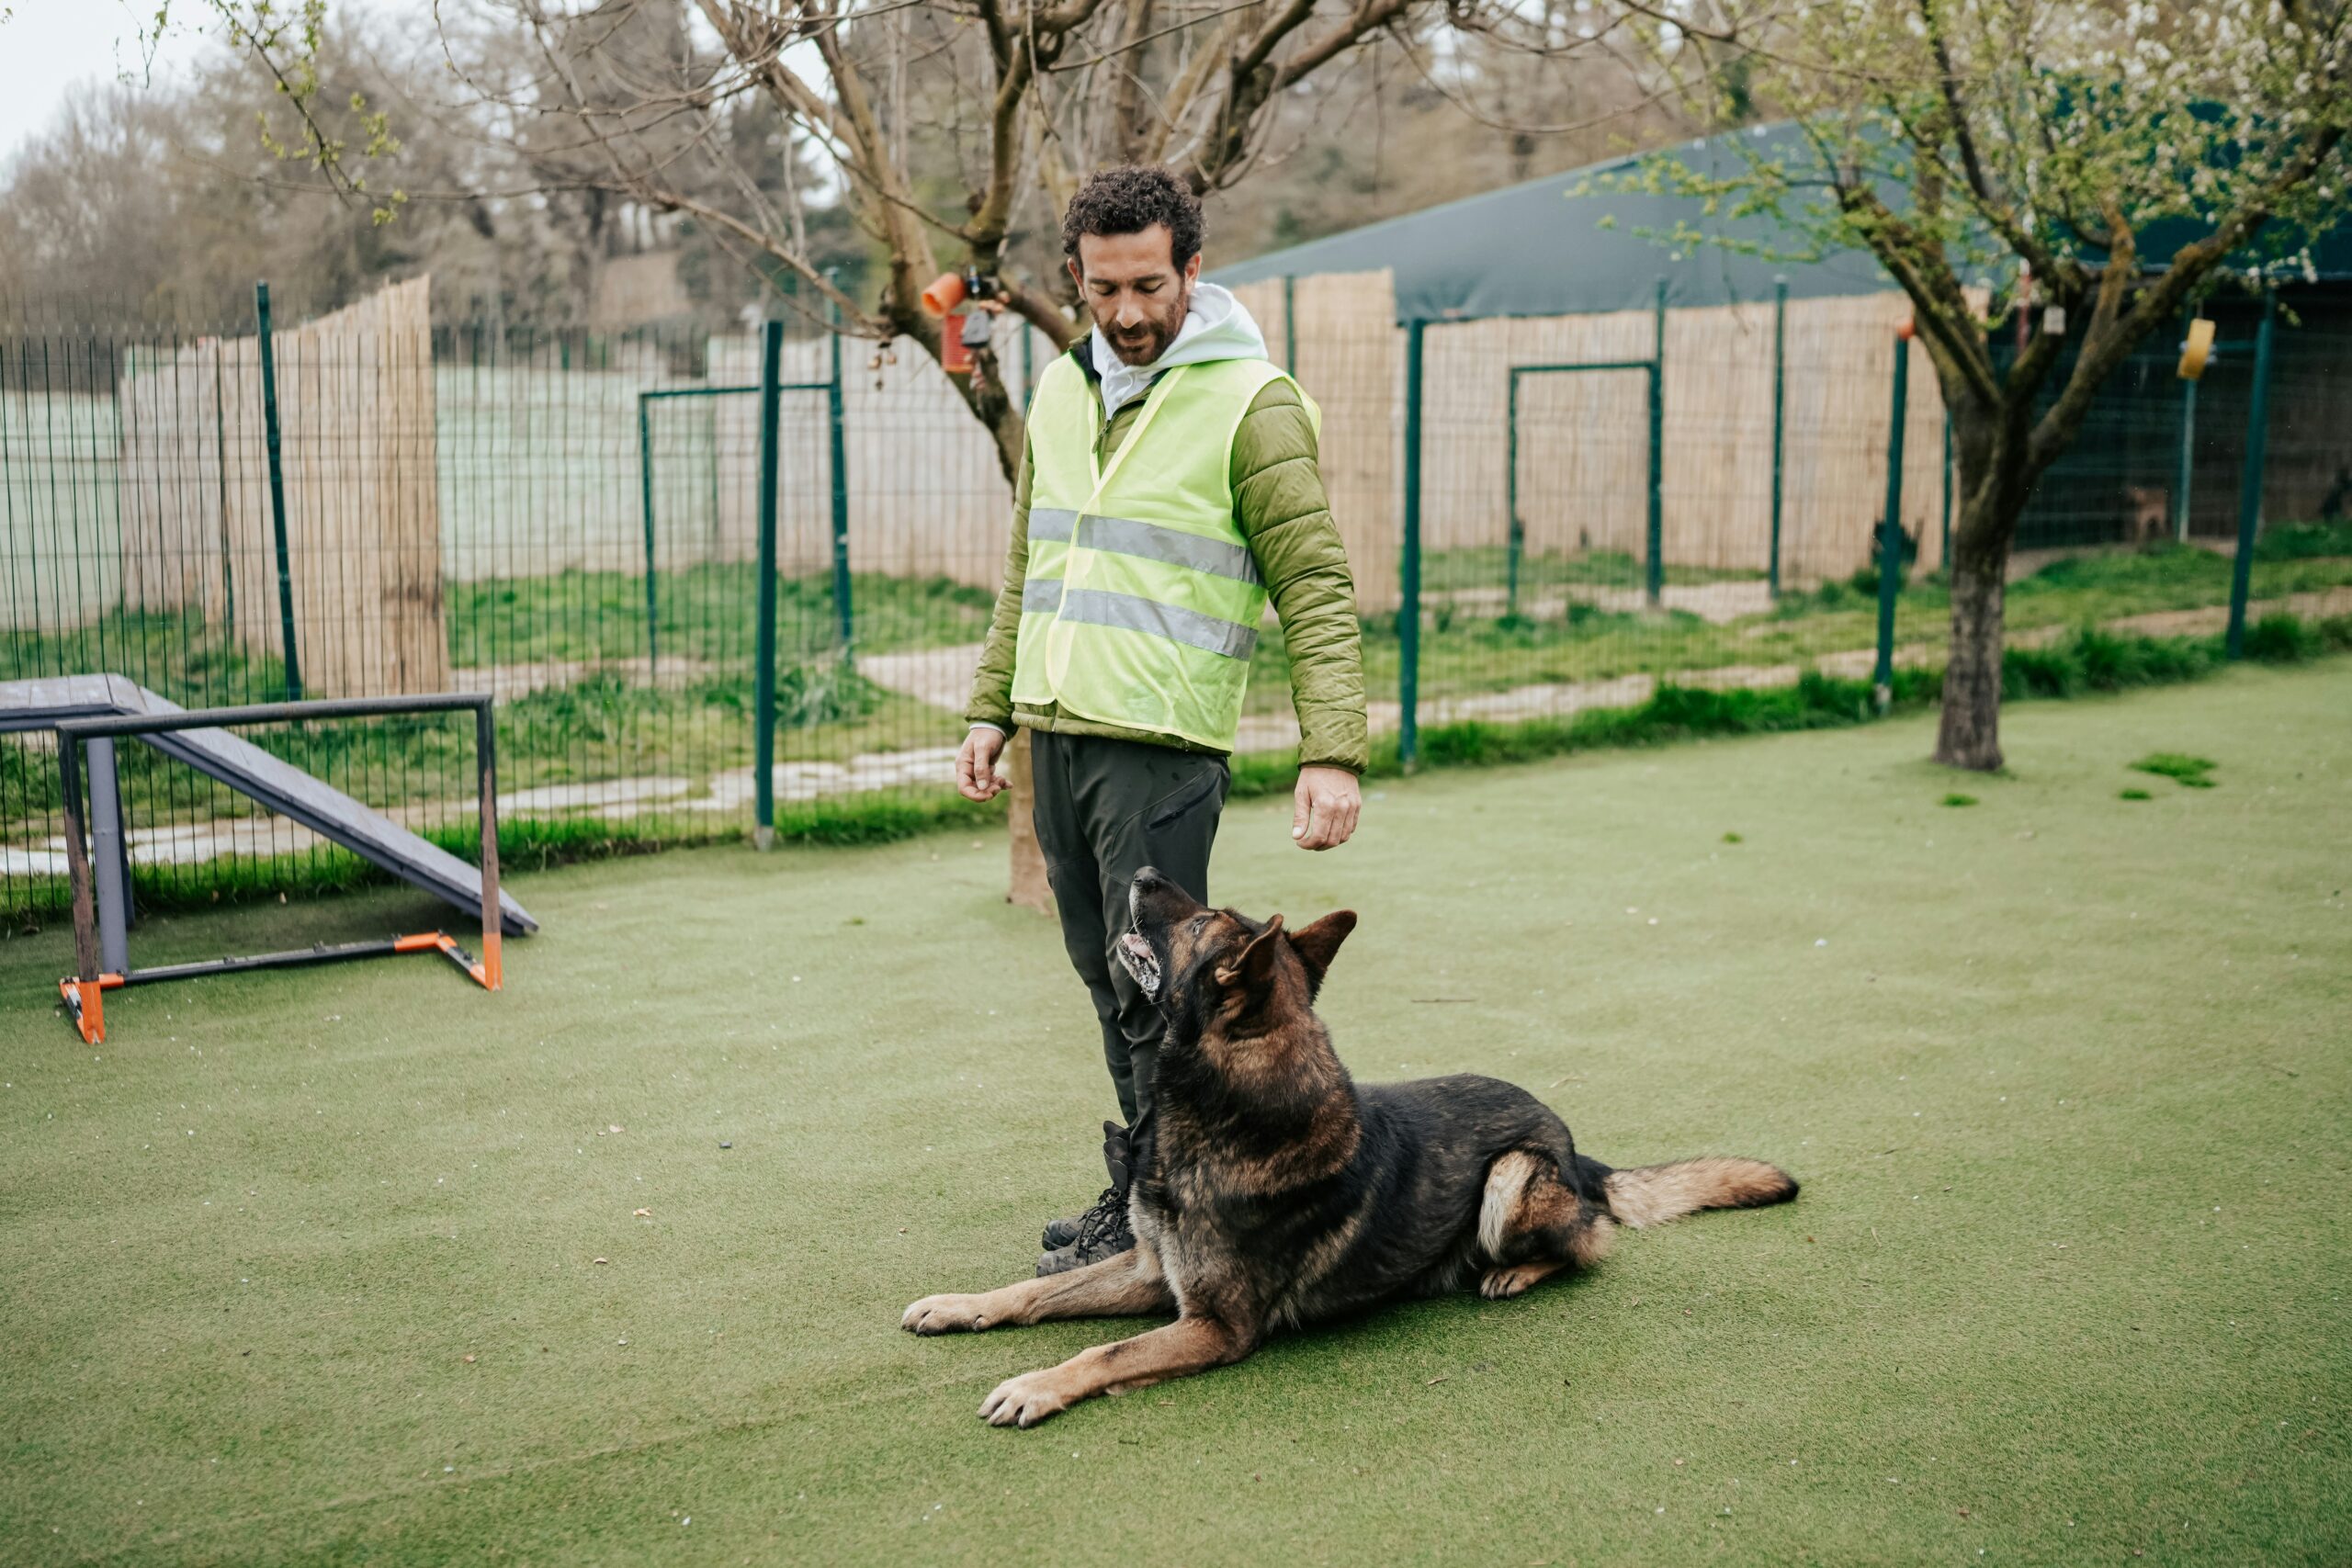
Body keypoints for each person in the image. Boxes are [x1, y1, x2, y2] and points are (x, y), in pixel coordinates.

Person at [957, 165, 1370, 1276]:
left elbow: (1315, 585)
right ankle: (1149, 1197)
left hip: (1162, 751)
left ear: (1193, 268)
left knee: (1164, 1002)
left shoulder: (1253, 401)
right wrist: (991, 708)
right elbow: (1028, 566)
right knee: (1106, 976)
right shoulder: (1056, 390)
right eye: (1104, 290)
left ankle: (1184, 1217)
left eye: (1150, 284)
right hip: (1061, 737)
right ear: (1077, 281)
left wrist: (1331, 750)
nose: (1128, 312)